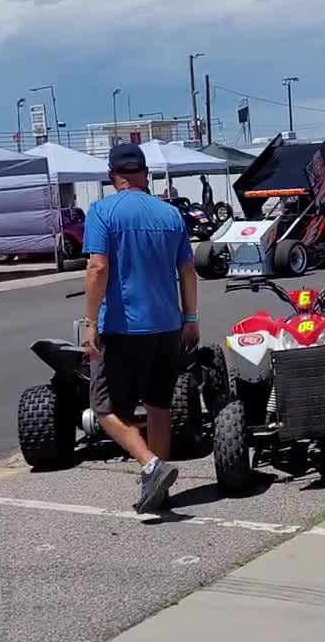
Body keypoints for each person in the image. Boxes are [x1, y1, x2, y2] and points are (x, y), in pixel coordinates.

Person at [82, 142, 200, 514]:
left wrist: (89, 322)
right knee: (158, 405)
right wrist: (191, 319)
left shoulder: (102, 211)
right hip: (168, 325)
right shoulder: (170, 214)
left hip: (123, 328)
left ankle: (151, 465)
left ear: (112, 176)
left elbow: (98, 268)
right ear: (144, 173)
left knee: (104, 409)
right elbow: (188, 271)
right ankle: (158, 490)